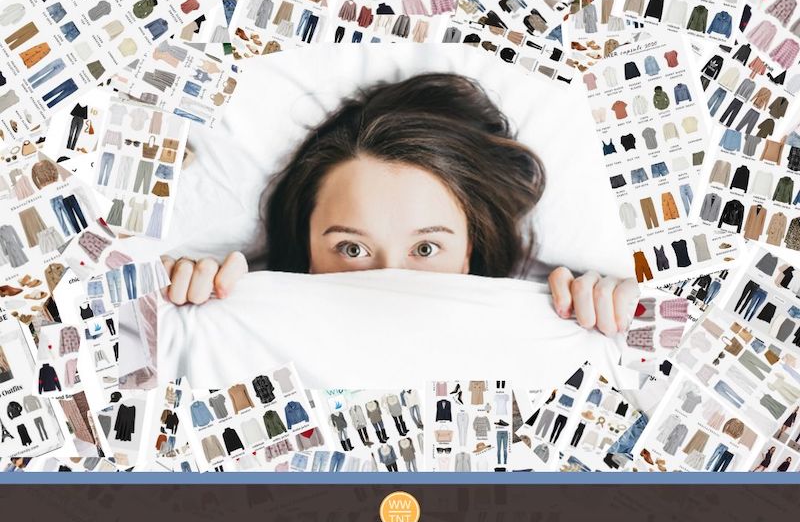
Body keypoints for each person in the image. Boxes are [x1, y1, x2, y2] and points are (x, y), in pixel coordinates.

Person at [164, 73, 638, 336]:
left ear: (471, 249)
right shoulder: (247, 320)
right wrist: (178, 297)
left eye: (427, 249)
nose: (390, 281)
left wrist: (618, 318)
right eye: (351, 248)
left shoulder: (543, 324)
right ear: (305, 248)